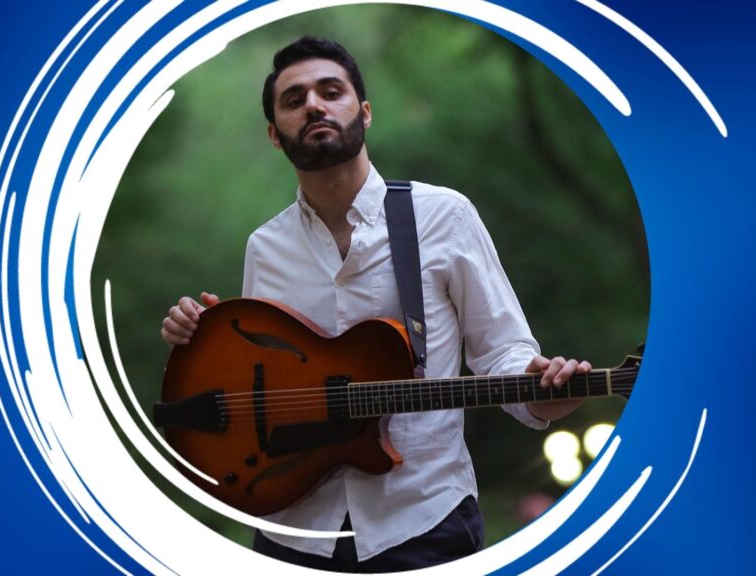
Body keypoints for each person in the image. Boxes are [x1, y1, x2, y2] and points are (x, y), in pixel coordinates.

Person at [160, 36, 591, 573]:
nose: (313, 105)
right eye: (294, 100)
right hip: (293, 528)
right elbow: (257, 378)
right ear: (275, 134)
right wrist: (198, 336)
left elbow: (502, 353)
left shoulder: (443, 216)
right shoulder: (264, 247)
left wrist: (544, 392)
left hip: (423, 520)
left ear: (364, 112)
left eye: (330, 92)